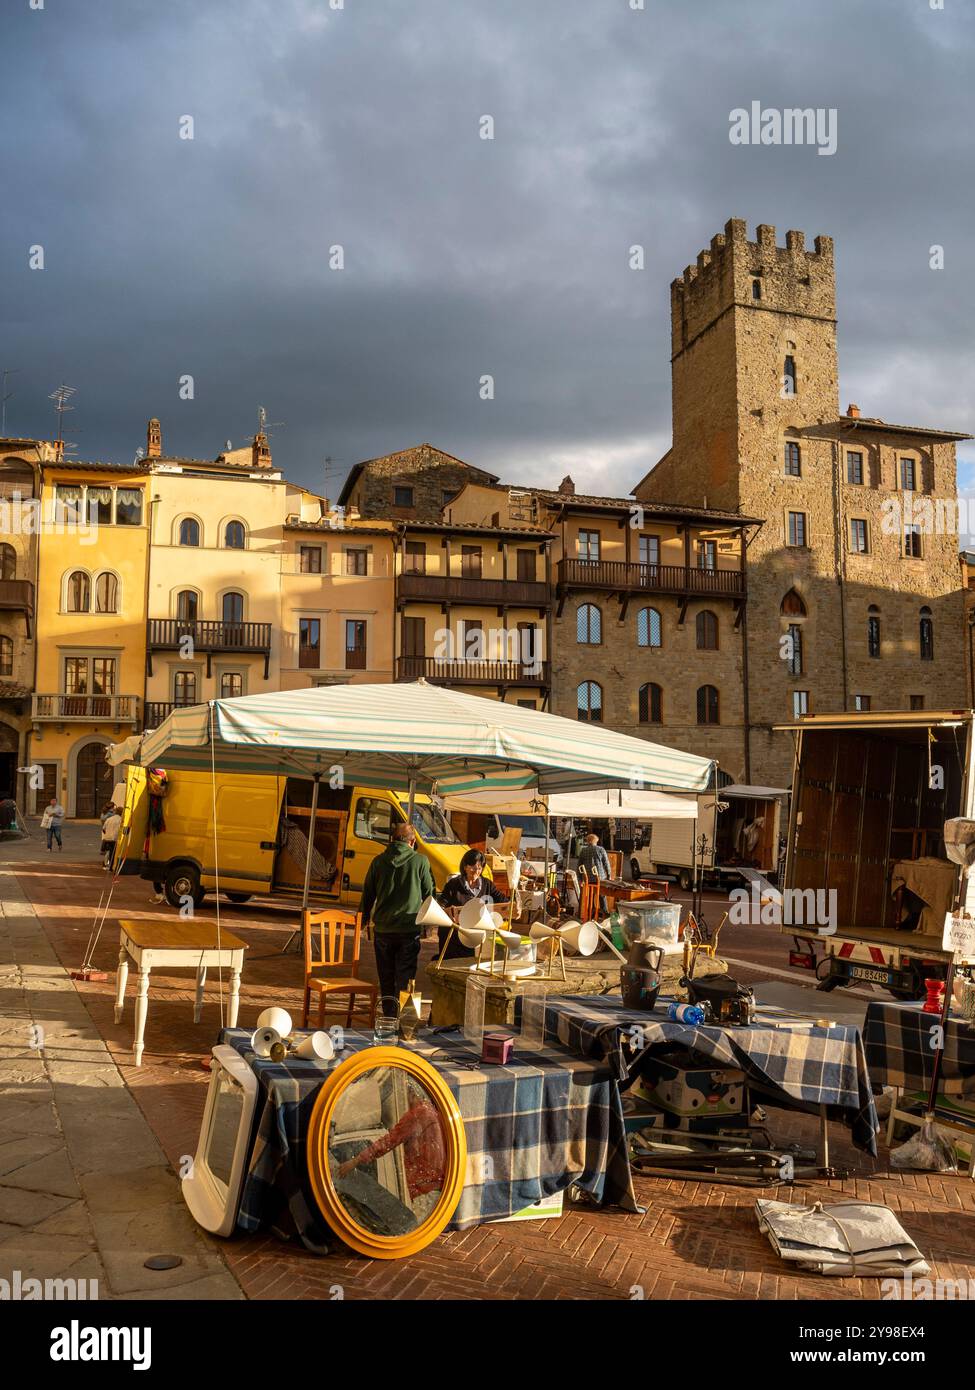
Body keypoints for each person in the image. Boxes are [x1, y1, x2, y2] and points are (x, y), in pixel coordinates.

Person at [360, 821, 435, 1005]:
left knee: (386, 978)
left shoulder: (378, 861)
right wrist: (429, 924)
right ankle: (402, 1021)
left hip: (383, 930)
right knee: (406, 978)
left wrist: (362, 920)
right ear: (412, 841)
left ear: (392, 840)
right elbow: (429, 896)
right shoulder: (420, 861)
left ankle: (388, 1017)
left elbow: (368, 894)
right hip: (409, 930)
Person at [436, 848, 494, 960]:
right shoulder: (454, 884)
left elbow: (502, 900)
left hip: (474, 936)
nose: (476, 871)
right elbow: (441, 904)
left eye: (479, 868)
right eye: (472, 867)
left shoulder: (488, 885)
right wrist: (447, 910)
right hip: (454, 937)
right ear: (465, 867)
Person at [578, 831, 611, 914]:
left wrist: (580, 879)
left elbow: (579, 865)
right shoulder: (600, 849)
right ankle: (605, 912)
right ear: (596, 841)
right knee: (602, 895)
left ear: (587, 841)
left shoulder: (583, 851)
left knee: (591, 895)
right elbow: (606, 863)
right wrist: (609, 875)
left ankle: (591, 912)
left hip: (588, 877)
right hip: (600, 877)